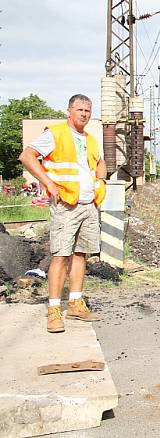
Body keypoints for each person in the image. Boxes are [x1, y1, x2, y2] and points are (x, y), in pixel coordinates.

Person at [18, 94, 107, 334]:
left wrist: (100, 181)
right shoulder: (55, 134)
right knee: (60, 256)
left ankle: (75, 303)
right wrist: (48, 182)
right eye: (79, 109)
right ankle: (54, 309)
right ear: (69, 111)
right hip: (66, 204)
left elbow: (99, 164)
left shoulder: (90, 139)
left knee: (81, 254)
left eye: (88, 110)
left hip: (88, 205)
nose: (84, 114)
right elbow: (27, 156)